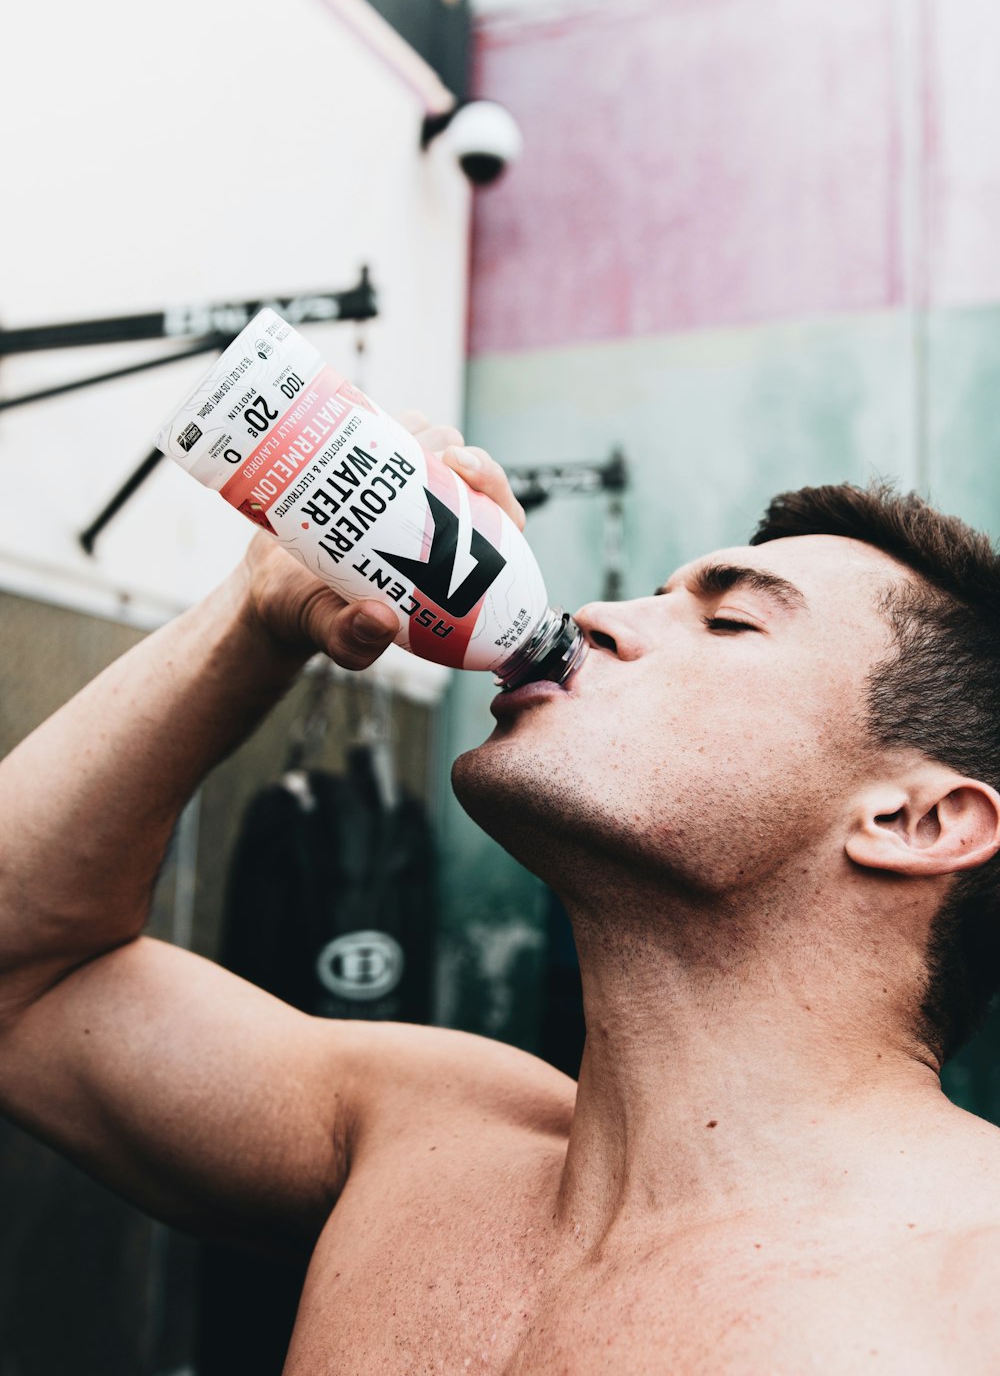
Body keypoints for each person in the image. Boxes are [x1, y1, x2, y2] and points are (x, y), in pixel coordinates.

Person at [3, 413, 1000, 1374]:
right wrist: (257, 617)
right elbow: (26, 978)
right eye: (653, 594)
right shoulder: (420, 1137)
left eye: (729, 619)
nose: (596, 617)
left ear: (915, 822)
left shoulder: (971, 1287)